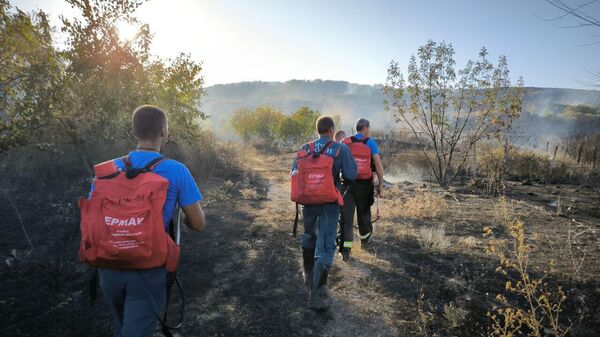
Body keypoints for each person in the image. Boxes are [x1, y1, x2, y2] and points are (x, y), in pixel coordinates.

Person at [91, 105, 206, 337]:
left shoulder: (107, 170)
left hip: (108, 265)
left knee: (122, 326)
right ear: (164, 130)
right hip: (147, 267)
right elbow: (198, 223)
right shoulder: (176, 170)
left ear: (134, 131)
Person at [292, 116, 357, 311]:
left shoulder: (305, 149)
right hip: (329, 203)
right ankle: (317, 295)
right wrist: (338, 186)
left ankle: (307, 274)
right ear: (331, 129)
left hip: (308, 203)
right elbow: (351, 175)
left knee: (309, 236)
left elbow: (295, 173)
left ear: (318, 129)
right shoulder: (339, 148)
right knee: (326, 245)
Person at [339, 118, 384, 260]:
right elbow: (377, 164)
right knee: (364, 214)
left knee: (346, 217)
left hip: (347, 184)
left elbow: (337, 162)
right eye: (368, 129)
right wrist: (380, 185)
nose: (368, 131)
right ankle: (365, 242)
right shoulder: (370, 142)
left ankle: (345, 251)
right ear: (365, 128)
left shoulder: (345, 142)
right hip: (364, 185)